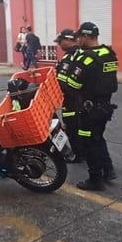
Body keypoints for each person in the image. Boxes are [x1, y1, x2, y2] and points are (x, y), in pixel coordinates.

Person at [72, 22, 119, 191]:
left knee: (88, 142)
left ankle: (95, 180)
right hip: (105, 106)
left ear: (86, 36)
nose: (78, 40)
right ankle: (108, 169)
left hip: (88, 109)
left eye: (79, 37)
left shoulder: (87, 58)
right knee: (98, 138)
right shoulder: (108, 53)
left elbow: (74, 84)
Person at [54, 29, 84, 163]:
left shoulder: (73, 56)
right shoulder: (75, 54)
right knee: (77, 128)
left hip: (74, 100)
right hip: (77, 99)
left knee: (73, 129)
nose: (59, 45)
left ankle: (79, 155)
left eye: (60, 42)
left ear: (68, 40)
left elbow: (65, 81)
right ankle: (83, 153)